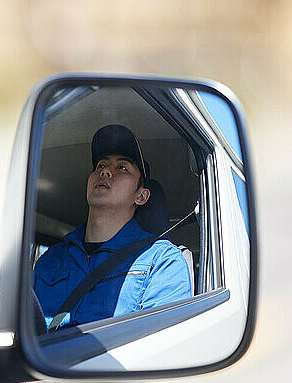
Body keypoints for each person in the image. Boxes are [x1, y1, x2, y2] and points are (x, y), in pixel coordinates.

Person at [33, 124, 192, 329]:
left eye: (122, 167)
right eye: (100, 166)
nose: (106, 171)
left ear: (141, 196)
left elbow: (161, 344)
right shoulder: (50, 259)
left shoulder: (162, 260)